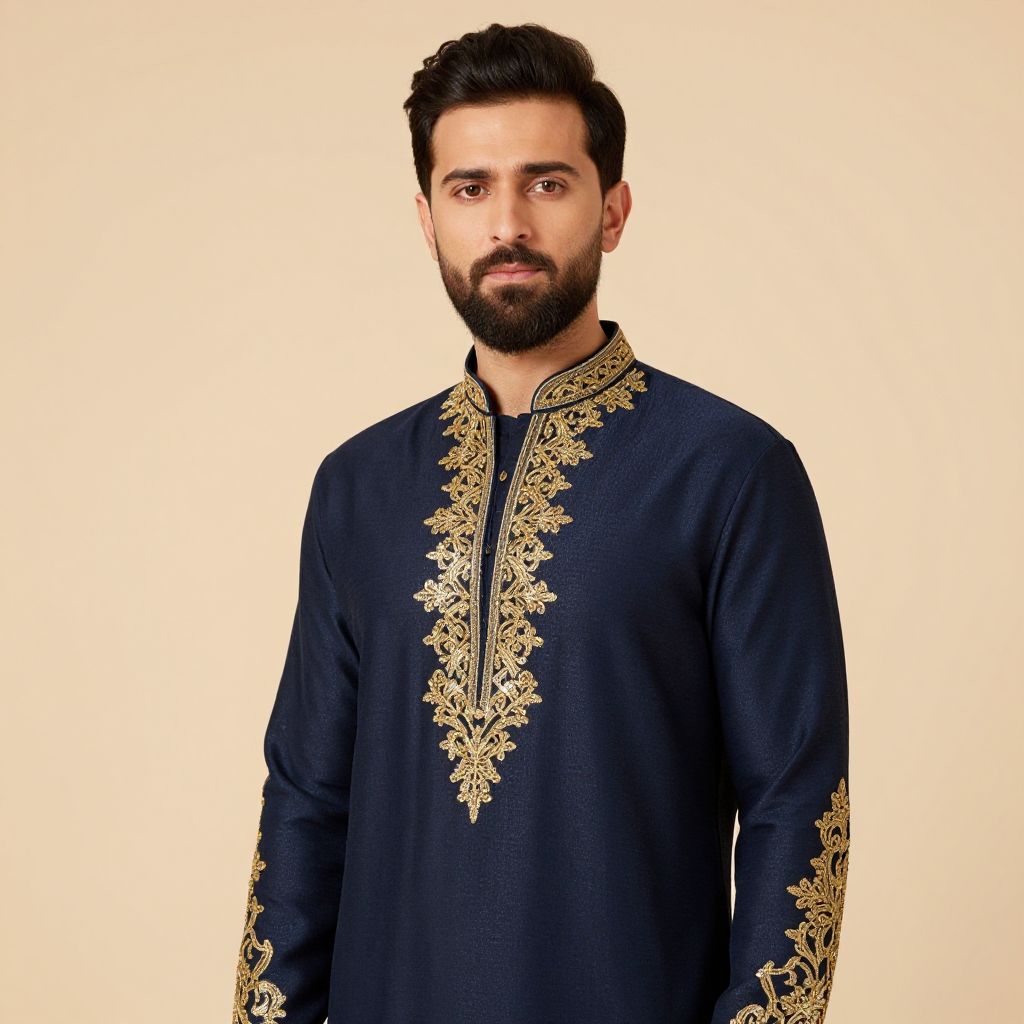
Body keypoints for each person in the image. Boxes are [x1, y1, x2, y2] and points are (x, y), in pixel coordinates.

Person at [232, 21, 851, 1024]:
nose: (506, 223)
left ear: (613, 211)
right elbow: (305, 803)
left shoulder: (731, 470)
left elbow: (797, 799)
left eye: (547, 183)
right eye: (470, 188)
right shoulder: (356, 486)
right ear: (427, 218)